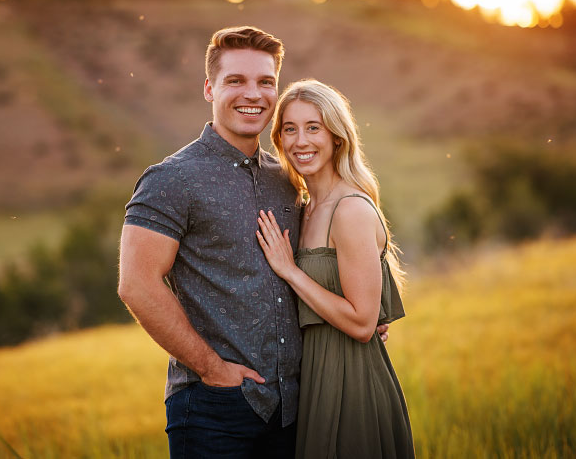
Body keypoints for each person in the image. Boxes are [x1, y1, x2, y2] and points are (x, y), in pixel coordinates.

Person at [119, 27, 388, 458]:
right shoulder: (171, 178)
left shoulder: (287, 179)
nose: (254, 94)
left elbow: (319, 263)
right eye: (236, 81)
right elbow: (137, 283)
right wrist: (213, 370)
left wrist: (358, 313)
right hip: (215, 408)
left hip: (297, 408)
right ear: (209, 88)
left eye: (265, 82)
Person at [255, 79, 415, 459]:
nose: (301, 141)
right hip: (315, 381)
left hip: (351, 381)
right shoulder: (306, 207)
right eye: (290, 129)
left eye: (314, 127)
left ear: (337, 137)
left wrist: (290, 271)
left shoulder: (351, 209)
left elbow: (362, 324)